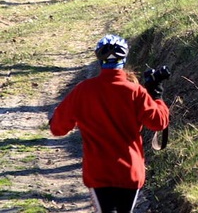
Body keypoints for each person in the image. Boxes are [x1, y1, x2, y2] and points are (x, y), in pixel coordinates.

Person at [49, 34, 170, 213]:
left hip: (98, 172)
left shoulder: (83, 91)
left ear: (99, 59)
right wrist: (157, 97)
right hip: (129, 172)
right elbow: (159, 123)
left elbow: (57, 129)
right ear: (124, 58)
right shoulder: (136, 92)